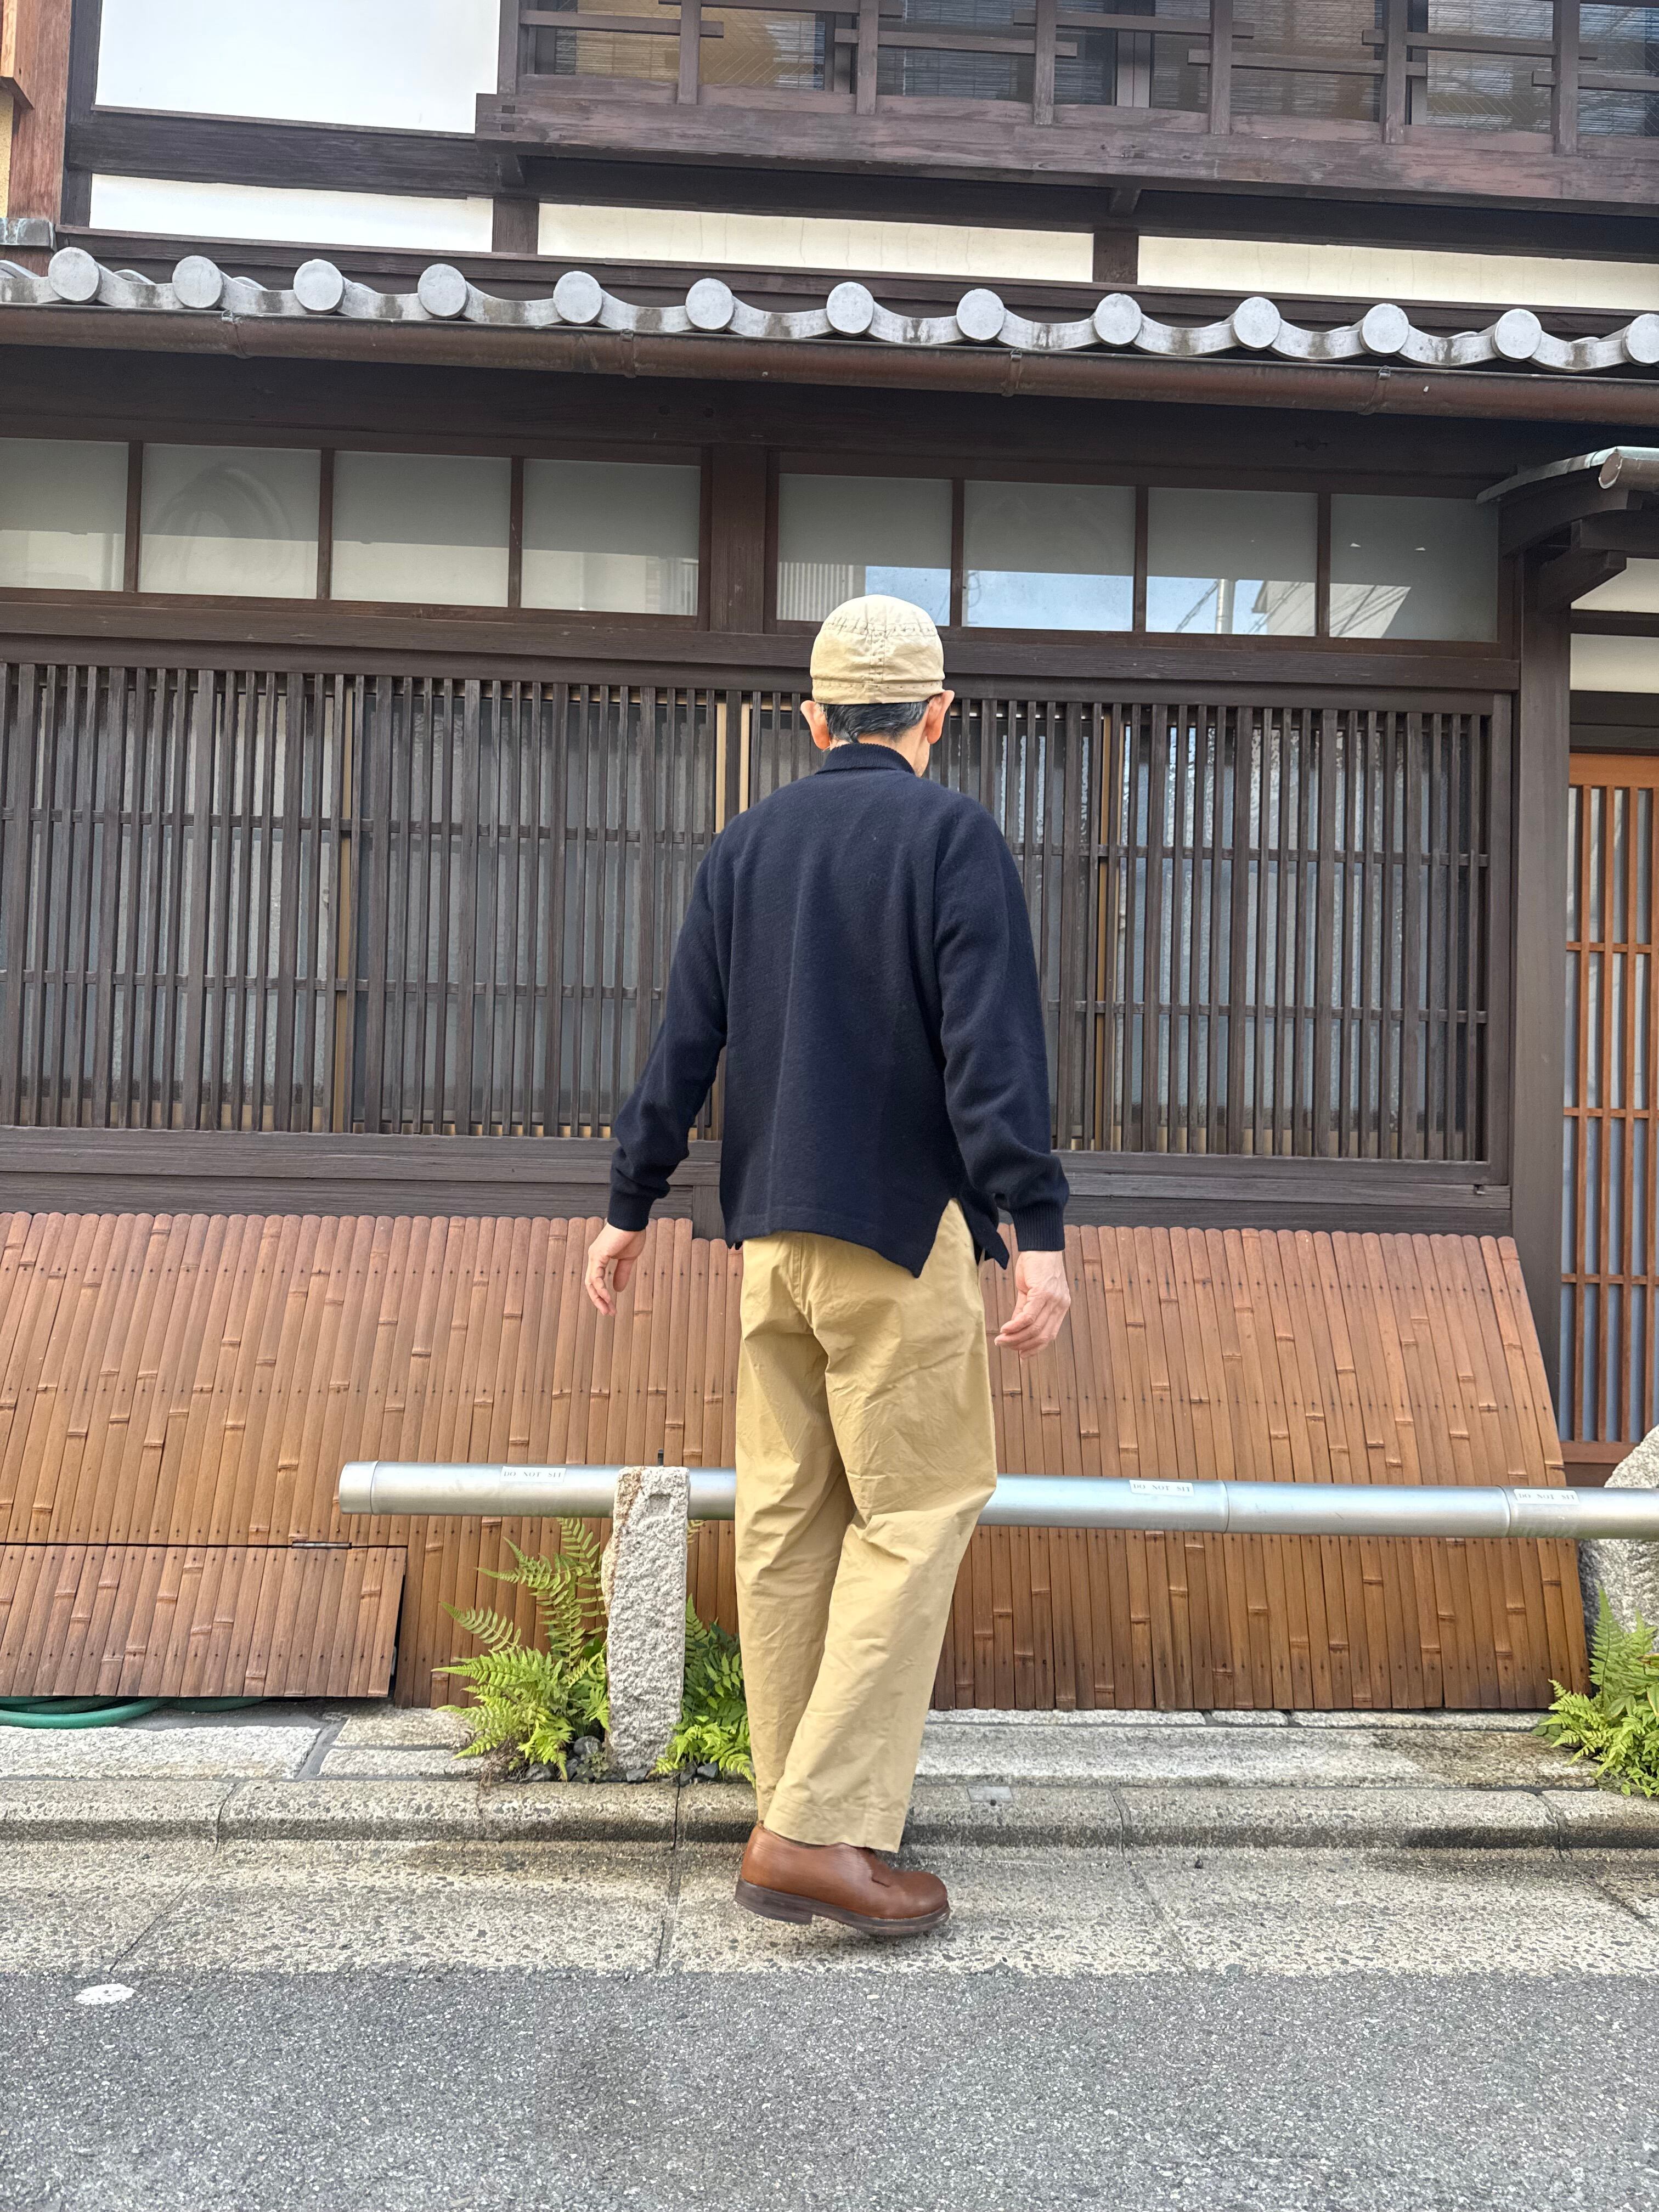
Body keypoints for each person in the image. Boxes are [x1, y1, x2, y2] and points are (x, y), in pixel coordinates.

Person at [585, 593, 1070, 1937]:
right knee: (918, 1509)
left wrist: (629, 1203)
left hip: (770, 1243)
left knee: (788, 1520)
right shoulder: (951, 836)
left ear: (811, 719)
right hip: (897, 1235)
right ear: (937, 714)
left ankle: (788, 1814)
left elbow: (684, 1043)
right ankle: (816, 1834)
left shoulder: (747, 844)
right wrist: (1035, 1229)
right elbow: (990, 1052)